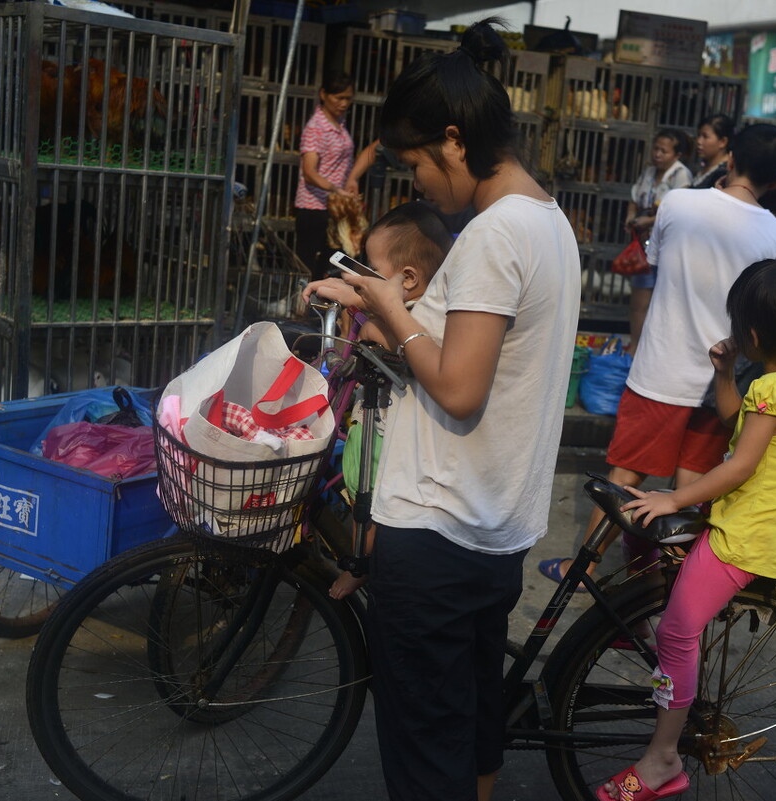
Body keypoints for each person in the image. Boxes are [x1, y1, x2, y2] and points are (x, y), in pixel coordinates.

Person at [303, 20, 581, 801]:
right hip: (491, 529)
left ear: (455, 141)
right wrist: (373, 295)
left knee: (428, 754)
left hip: (438, 535)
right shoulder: (548, 220)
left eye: (419, 163)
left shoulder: (495, 233)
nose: (418, 183)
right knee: (469, 723)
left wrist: (390, 309)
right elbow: (475, 361)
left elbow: (458, 385)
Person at [597, 259, 776, 801]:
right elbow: (736, 426)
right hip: (743, 523)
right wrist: (725, 374)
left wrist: (673, 494)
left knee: (680, 630)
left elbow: (739, 464)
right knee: (640, 533)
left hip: (743, 537)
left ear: (750, 334)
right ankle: (643, 634)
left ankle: (662, 759)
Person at [538, 124, 776, 586]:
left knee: (625, 476)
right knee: (692, 488)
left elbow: (655, 262)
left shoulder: (678, 203)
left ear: (730, 158)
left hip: (660, 370)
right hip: (722, 386)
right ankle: (670, 587)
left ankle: (585, 570)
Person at [328, 202, 454, 599]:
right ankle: (361, 557)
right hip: (370, 428)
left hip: (389, 442)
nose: (362, 277)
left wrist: (368, 325)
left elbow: (397, 340)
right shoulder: (403, 305)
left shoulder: (419, 317)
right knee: (357, 491)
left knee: (369, 502)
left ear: (410, 279)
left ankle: (362, 565)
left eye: (371, 269)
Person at [624, 128, 693, 350]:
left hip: (667, 247)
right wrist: (631, 217)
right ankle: (635, 346)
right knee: (639, 300)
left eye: (664, 151)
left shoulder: (681, 175)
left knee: (662, 301)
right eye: (656, 148)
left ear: (677, 155)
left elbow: (678, 208)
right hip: (643, 246)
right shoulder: (649, 172)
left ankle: (652, 349)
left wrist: (649, 221)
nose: (658, 154)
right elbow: (635, 197)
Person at [296, 71, 356, 279]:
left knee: (332, 261)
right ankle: (300, 306)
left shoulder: (340, 124)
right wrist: (336, 189)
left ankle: (318, 306)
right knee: (307, 261)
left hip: (335, 206)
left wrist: (349, 182)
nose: (344, 103)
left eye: (348, 98)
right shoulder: (316, 128)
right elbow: (309, 172)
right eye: (339, 97)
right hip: (314, 206)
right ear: (323, 94)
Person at [691, 114, 733, 189]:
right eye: (698, 135)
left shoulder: (723, 174)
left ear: (723, 141)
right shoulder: (706, 167)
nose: (699, 141)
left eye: (705, 136)